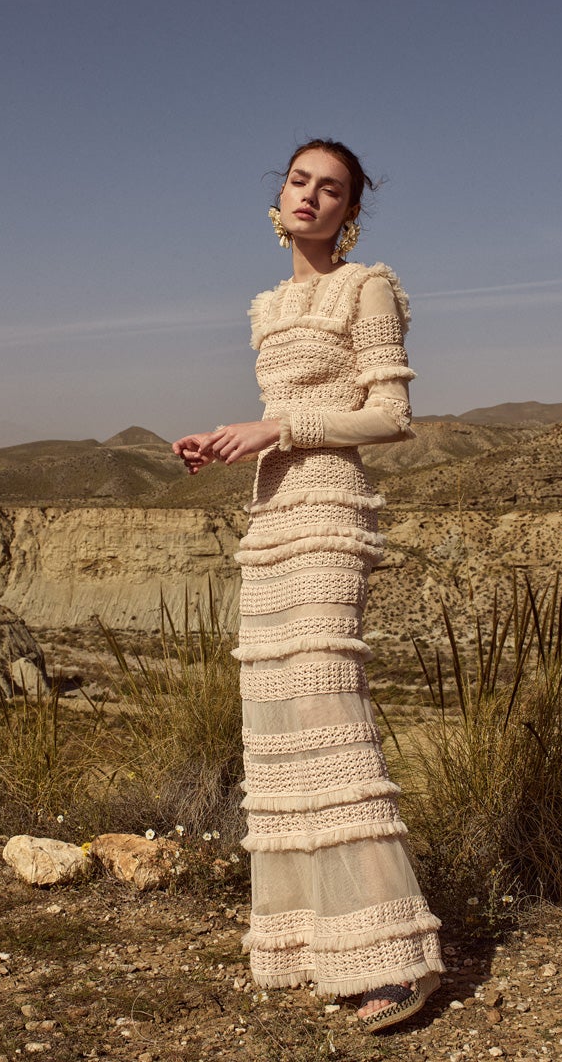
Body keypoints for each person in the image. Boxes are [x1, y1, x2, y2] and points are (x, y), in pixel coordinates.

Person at [172, 139, 443, 1032]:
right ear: (279, 196)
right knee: (278, 719)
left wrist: (279, 428)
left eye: (331, 190)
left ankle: (396, 953)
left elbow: (391, 417)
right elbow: (271, 423)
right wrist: (225, 443)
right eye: (300, 182)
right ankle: (306, 942)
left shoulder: (365, 287)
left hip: (328, 516)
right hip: (271, 518)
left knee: (328, 715)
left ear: (349, 211)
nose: (311, 198)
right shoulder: (266, 306)